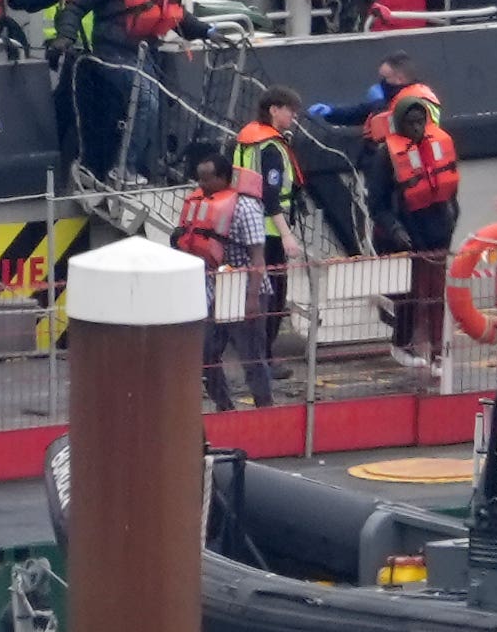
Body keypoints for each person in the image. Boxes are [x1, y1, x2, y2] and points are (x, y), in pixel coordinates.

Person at [49, 0, 219, 184]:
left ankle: (133, 166)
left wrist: (207, 31)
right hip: (112, 51)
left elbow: (175, 14)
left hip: (142, 52)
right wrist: (65, 37)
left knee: (152, 105)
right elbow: (76, 6)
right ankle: (123, 168)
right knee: (145, 102)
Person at [9, 0, 111, 174]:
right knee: (63, 111)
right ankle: (54, 169)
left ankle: (94, 169)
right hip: (79, 54)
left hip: (111, 54)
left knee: (102, 120)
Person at [174, 153, 273, 412]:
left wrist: (252, 299)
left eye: (207, 179)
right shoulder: (203, 204)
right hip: (213, 289)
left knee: (251, 357)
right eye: (199, 179)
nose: (202, 184)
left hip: (245, 289)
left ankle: (266, 409)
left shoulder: (246, 207)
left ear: (223, 178)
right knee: (205, 355)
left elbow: (258, 257)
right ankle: (224, 408)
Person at [367, 94, 459, 371]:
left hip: (438, 233)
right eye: (411, 123)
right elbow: (377, 204)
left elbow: (452, 192)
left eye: (421, 122)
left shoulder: (440, 145)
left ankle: (439, 353)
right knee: (411, 296)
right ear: (400, 124)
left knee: (436, 297)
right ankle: (403, 343)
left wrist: (452, 220)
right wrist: (395, 230)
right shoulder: (386, 156)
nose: (417, 128)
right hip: (406, 234)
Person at [232, 86, 306, 380]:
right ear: (274, 110)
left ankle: (253, 354)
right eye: (290, 110)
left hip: (243, 224)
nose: (294, 116)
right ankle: (266, 358)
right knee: (273, 298)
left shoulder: (247, 140)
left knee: (252, 294)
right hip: (269, 233)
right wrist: (287, 234)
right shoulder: (272, 148)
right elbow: (272, 196)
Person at [306, 50, 438, 147]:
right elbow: (360, 112)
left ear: (400, 79)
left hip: (407, 158)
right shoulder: (395, 96)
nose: (381, 83)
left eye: (385, 78)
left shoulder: (413, 100)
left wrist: (378, 104)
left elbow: (392, 127)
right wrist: (331, 112)